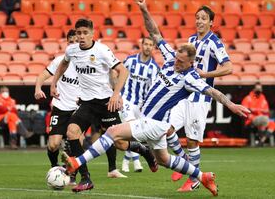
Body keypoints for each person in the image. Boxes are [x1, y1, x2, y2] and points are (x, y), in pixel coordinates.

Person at [62, 39, 250, 198]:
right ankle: (203, 176)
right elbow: (156, 34)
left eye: (182, 62)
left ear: (190, 63)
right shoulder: (170, 60)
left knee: (112, 132)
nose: (177, 62)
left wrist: (231, 105)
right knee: (164, 160)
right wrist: (144, 9)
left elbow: (212, 91)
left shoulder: (191, 78)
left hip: (153, 123)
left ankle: (76, 162)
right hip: (156, 124)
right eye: (177, 58)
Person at [136, 0, 234, 191]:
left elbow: (228, 67)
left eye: (203, 18)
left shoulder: (214, 42)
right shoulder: (190, 41)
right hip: (184, 94)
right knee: (167, 127)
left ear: (211, 22)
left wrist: (206, 74)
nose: (199, 21)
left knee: (191, 139)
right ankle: (183, 162)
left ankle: (195, 179)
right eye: (197, 17)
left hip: (200, 97)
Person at [51, 19, 157, 192]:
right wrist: (54, 83)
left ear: (93, 33)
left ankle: (143, 150)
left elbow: (123, 71)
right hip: (86, 103)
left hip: (105, 103)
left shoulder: (102, 50)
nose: (82, 36)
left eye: (85, 33)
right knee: (72, 132)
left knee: (120, 144)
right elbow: (63, 64)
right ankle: (85, 178)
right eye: (79, 33)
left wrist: (116, 94)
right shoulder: (72, 50)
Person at [35, 30, 79, 181]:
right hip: (60, 107)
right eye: (71, 42)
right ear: (67, 44)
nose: (74, 45)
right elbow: (43, 75)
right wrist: (38, 88)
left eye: (76, 42)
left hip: (78, 110)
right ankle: (55, 168)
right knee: (53, 145)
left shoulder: (86, 64)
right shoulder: (59, 61)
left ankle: (73, 175)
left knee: (75, 144)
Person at [120, 37, 160, 173]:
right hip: (127, 100)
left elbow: (153, 89)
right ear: (141, 45)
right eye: (146, 44)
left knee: (137, 134)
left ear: (154, 48)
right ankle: (136, 162)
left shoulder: (154, 68)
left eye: (151, 45)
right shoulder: (130, 61)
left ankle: (126, 160)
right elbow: (120, 74)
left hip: (141, 105)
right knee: (131, 130)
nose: (148, 47)